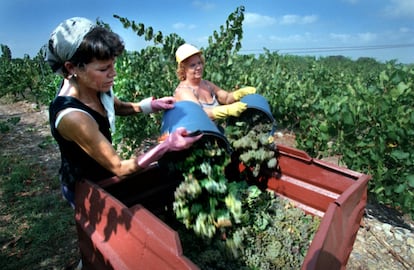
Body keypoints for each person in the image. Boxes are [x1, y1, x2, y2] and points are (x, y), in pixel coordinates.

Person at [47, 17, 202, 208]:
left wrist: (151, 106)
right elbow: (119, 167)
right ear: (72, 68)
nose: (113, 73)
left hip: (104, 173)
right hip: (85, 186)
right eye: (104, 69)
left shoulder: (92, 84)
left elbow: (117, 106)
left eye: (112, 65)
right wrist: (167, 146)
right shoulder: (73, 117)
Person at [173, 43, 257, 120]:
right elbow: (198, 113)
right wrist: (227, 110)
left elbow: (226, 98)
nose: (198, 67)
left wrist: (238, 94)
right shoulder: (183, 91)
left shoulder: (206, 84)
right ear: (183, 69)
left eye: (199, 63)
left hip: (216, 132)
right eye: (192, 65)